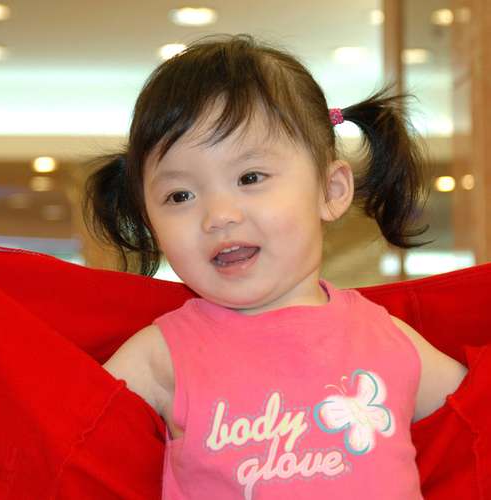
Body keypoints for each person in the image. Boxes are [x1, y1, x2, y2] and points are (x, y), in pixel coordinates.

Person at [84, 34, 468, 499]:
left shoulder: (389, 341)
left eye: (250, 177)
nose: (219, 215)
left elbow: (476, 427)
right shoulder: (162, 354)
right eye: (179, 195)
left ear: (331, 190)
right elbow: (63, 448)